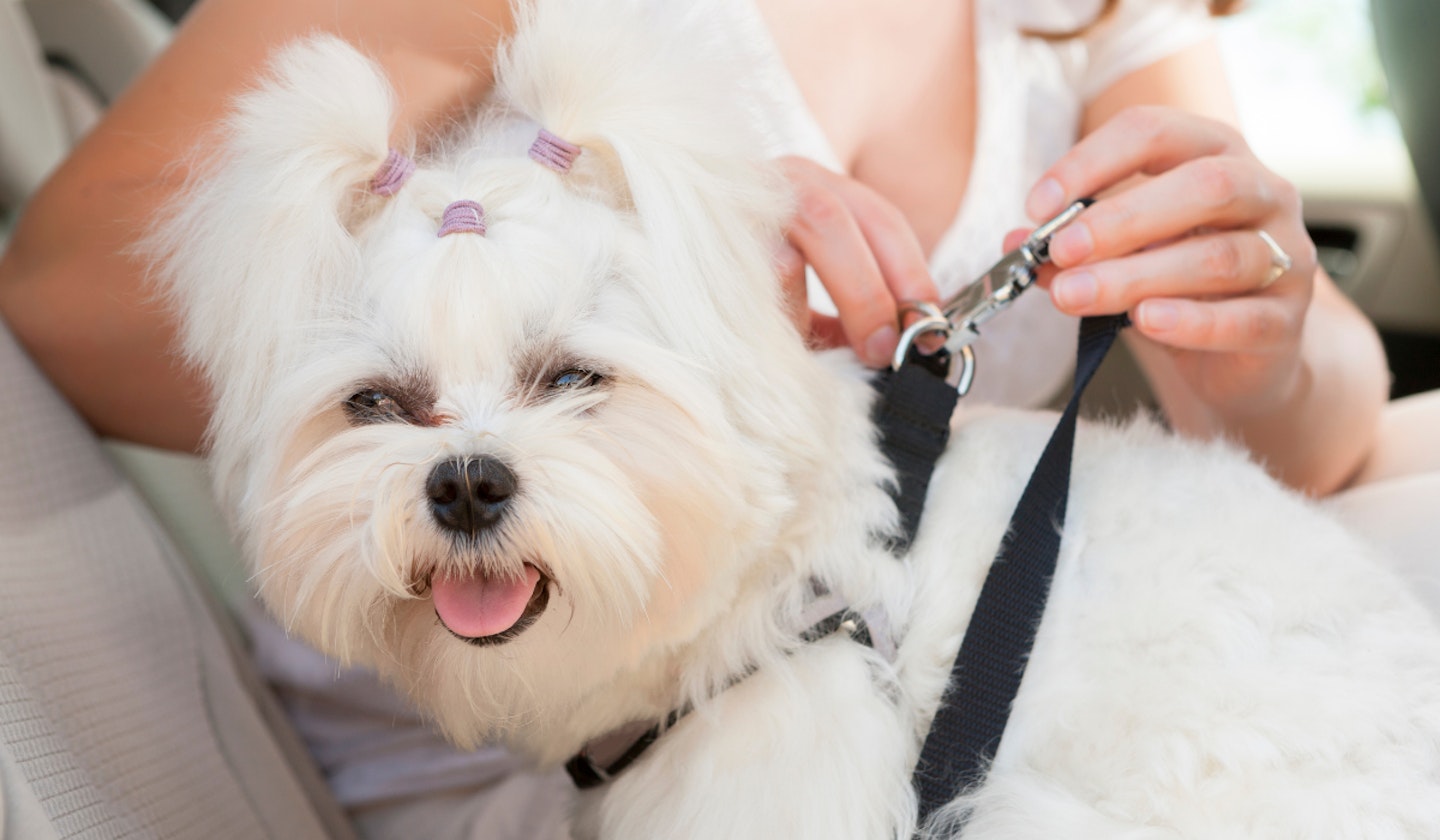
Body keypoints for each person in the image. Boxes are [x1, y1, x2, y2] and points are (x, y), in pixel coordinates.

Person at [1, 0, 1435, 837]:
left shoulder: (1098, 17)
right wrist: (647, 254)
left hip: (911, 683)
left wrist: (1266, 327)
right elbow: (65, 292)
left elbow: (1315, 441)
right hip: (533, 768)